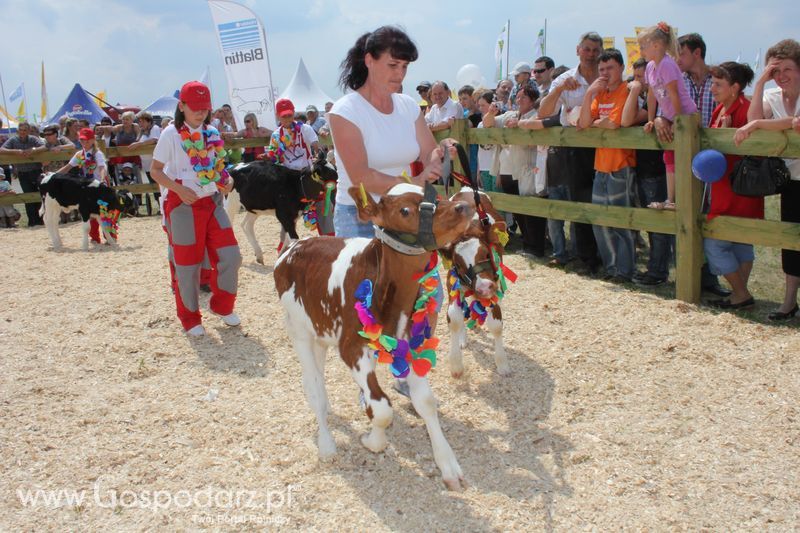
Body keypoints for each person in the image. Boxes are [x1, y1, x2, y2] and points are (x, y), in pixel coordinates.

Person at [328, 25, 447, 239]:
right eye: (392, 65)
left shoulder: (408, 105)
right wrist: (413, 183)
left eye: (404, 66)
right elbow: (361, 178)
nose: (400, 74)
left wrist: (434, 162)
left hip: (405, 211)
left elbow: (429, 149)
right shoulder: (345, 111)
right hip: (359, 216)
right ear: (369, 60)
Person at [150, 81, 242, 337]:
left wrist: (228, 181)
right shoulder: (170, 134)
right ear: (182, 106)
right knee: (187, 265)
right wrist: (178, 190)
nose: (201, 113)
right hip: (183, 205)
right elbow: (155, 171)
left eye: (205, 108)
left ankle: (222, 306)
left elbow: (219, 169)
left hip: (212, 201)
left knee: (231, 256)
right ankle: (190, 318)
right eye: (195, 108)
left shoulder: (212, 132)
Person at [734, 38, 800, 320]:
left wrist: (760, 124)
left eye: (787, 69)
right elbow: (753, 119)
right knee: (790, 240)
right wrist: (761, 82)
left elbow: (794, 123)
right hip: (792, 180)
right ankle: (789, 302)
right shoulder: (772, 95)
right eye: (775, 71)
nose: (781, 76)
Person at [538, 31, 604, 273]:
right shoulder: (565, 79)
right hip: (577, 150)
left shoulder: (607, 74)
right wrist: (559, 91)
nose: (591, 54)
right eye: (587, 49)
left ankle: (610, 258)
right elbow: (543, 112)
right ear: (578, 50)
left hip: (607, 146)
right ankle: (587, 258)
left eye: (595, 50)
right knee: (582, 203)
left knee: (607, 202)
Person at [703, 62, 761, 309]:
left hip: (740, 188)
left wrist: (726, 137)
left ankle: (740, 293)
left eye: (718, 84)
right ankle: (740, 294)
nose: (712, 89)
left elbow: (753, 147)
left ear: (735, 87)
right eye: (712, 83)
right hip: (723, 187)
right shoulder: (720, 109)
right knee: (738, 243)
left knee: (719, 243)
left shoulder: (746, 109)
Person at [578, 48, 637, 282]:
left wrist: (600, 122)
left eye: (610, 68)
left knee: (621, 222)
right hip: (600, 166)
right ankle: (612, 268)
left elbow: (615, 123)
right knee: (600, 220)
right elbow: (584, 122)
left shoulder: (626, 90)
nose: (605, 73)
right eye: (601, 69)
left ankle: (625, 271)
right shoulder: (600, 94)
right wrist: (588, 94)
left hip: (621, 164)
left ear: (621, 68)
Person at [638, 22, 698, 210]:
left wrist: (678, 121)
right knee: (669, 157)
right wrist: (650, 119)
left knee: (683, 157)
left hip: (685, 115)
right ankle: (671, 199)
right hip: (671, 116)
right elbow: (651, 95)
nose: (640, 51)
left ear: (656, 45)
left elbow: (674, 94)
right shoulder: (650, 67)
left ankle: (681, 200)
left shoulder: (667, 64)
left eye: (643, 46)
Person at [484, 84, 548, 258]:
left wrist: (518, 126)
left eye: (523, 97)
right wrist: (491, 113)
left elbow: (533, 135)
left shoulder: (536, 115)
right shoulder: (510, 115)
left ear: (533, 100)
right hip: (508, 169)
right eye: (517, 97)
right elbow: (487, 124)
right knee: (518, 210)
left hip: (528, 168)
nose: (519, 100)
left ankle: (537, 247)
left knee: (531, 209)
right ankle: (527, 244)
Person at [54, 128, 110, 243]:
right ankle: (94, 238)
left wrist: (102, 180)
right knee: (89, 213)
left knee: (104, 212)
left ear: (93, 140)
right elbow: (68, 167)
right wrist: (53, 176)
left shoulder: (97, 154)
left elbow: (102, 168)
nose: (84, 142)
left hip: (99, 186)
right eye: (82, 140)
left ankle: (110, 237)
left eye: (86, 140)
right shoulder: (79, 154)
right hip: (86, 188)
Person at [0, 122, 46, 226]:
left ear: (28, 131)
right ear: (18, 131)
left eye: (25, 130)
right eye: (20, 130)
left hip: (36, 171)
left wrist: (33, 150)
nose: (22, 132)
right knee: (28, 197)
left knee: (39, 195)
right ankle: (32, 222)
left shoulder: (33, 139)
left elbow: (45, 146)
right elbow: (2, 149)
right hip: (23, 173)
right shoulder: (13, 140)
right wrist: (15, 151)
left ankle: (41, 220)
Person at [126, 111, 162, 215]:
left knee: (159, 185)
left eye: (142, 121)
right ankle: (160, 207)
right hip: (147, 165)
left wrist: (139, 144)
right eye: (139, 121)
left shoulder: (154, 128)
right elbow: (137, 141)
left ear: (148, 121)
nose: (140, 123)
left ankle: (163, 207)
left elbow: (154, 140)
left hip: (156, 163)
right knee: (154, 187)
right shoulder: (142, 132)